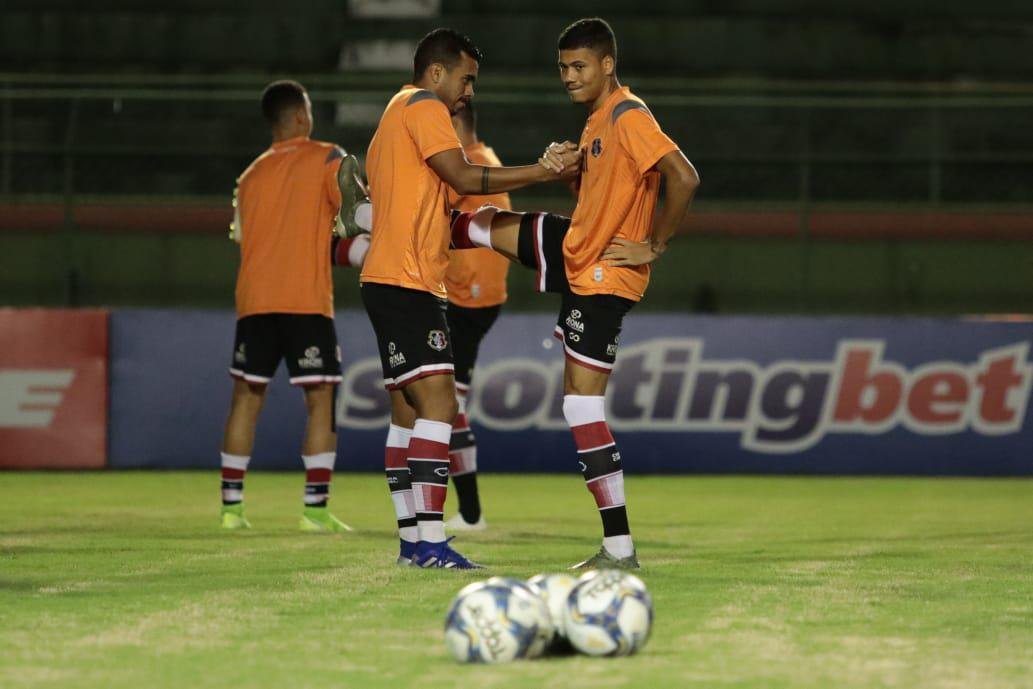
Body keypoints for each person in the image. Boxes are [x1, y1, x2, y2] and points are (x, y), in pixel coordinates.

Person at [450, 17, 700, 569]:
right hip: (578, 253)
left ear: (608, 65)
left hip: (603, 273)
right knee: (483, 223)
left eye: (579, 66)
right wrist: (568, 172)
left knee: (581, 405)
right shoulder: (597, 123)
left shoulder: (630, 115)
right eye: (563, 67)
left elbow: (683, 176)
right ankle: (387, 227)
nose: (569, 75)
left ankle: (619, 548)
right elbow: (602, 193)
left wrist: (654, 246)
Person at [359, 28, 579, 569]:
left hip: (388, 278)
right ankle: (431, 542)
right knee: (439, 405)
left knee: (406, 413)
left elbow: (402, 204)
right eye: (466, 78)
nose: (469, 91)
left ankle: (413, 541)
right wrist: (543, 170)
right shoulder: (426, 108)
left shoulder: (392, 111)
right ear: (437, 72)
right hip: (410, 283)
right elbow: (463, 175)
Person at [219, 80, 355, 533]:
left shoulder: (249, 176)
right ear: (300, 116)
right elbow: (356, 216)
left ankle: (231, 510)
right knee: (320, 400)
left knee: (245, 398)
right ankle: (315, 511)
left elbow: (239, 236)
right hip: (305, 300)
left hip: (255, 299)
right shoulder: (327, 157)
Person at [442, 102, 513, 532]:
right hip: (478, 295)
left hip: (465, 296)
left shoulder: (467, 164)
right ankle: (467, 512)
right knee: (447, 400)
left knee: (445, 403)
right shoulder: (485, 160)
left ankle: (470, 513)